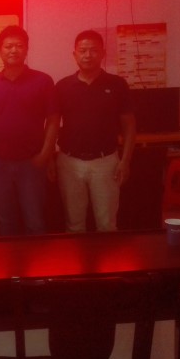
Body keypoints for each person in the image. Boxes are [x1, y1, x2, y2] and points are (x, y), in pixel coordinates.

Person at [0, 25, 60, 236]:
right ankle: (9, 258)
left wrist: (46, 155)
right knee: (5, 222)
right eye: (8, 46)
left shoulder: (43, 81)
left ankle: (37, 259)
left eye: (19, 46)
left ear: (26, 50)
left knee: (35, 221)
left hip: (32, 162)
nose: (13, 50)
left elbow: (53, 120)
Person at [55, 30, 136, 232]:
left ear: (103, 54)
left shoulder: (117, 84)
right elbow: (53, 124)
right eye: (83, 50)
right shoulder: (63, 86)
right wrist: (49, 158)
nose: (88, 55)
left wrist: (125, 161)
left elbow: (129, 125)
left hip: (105, 162)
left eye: (93, 50)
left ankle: (107, 255)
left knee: (107, 224)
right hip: (69, 162)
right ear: (74, 54)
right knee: (74, 224)